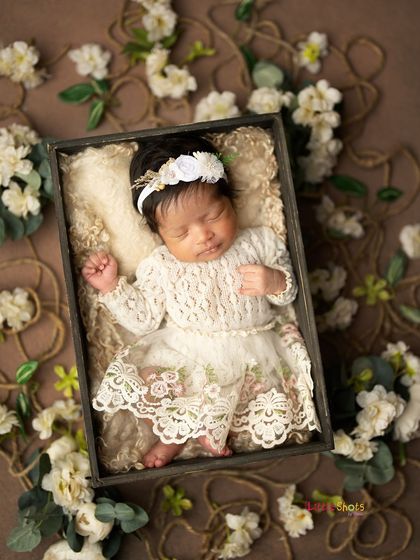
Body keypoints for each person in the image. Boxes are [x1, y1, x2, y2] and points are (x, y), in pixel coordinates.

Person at [83, 135, 319, 469]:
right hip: (189, 354)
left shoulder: (257, 243)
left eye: (213, 215)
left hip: (252, 349)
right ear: (160, 236)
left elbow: (289, 293)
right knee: (154, 385)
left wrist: (275, 280)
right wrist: (112, 288)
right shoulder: (162, 266)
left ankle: (210, 430)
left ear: (231, 202)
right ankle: (173, 440)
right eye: (181, 233)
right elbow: (144, 320)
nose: (202, 235)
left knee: (256, 396)